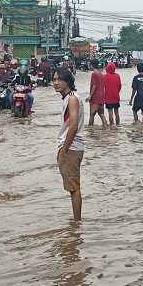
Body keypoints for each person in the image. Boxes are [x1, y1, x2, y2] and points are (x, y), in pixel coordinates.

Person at [53, 67, 85, 221]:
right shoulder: (69, 97)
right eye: (54, 79)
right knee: (72, 186)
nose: (56, 83)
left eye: (59, 79)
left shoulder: (72, 98)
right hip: (71, 146)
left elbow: (73, 126)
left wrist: (64, 149)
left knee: (73, 187)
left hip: (71, 147)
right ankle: (76, 222)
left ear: (68, 81)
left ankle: (76, 224)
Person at [85, 59, 107, 126]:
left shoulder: (94, 74)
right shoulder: (102, 75)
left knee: (92, 114)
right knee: (101, 114)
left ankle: (90, 130)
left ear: (91, 66)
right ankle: (106, 128)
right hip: (102, 96)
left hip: (95, 97)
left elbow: (94, 86)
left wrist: (90, 96)